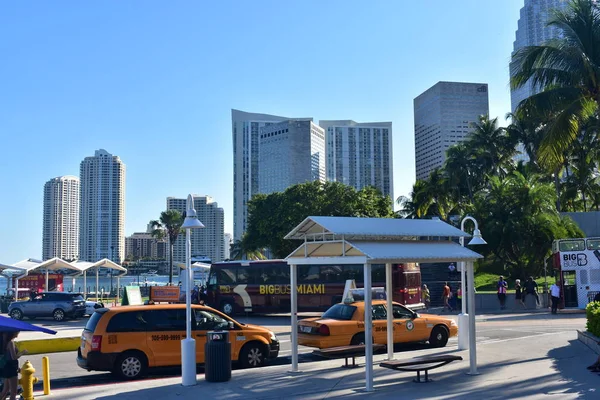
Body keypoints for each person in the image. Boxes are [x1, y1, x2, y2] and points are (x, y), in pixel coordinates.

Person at [0, 332, 27, 400]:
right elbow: (14, 357)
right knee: (13, 392)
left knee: (5, 390)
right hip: (11, 369)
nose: (18, 333)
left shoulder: (6, 341)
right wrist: (22, 352)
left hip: (8, 367)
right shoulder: (11, 342)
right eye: (17, 332)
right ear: (13, 333)